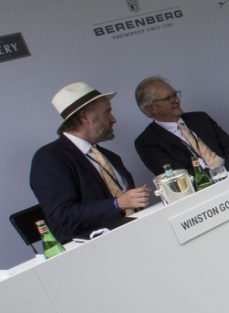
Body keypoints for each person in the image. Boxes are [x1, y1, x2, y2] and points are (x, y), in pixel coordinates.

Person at [30, 82, 150, 243]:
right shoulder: (49, 159)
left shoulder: (110, 156)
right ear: (85, 116)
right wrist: (117, 203)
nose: (113, 119)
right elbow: (62, 218)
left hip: (138, 236)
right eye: (107, 112)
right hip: (95, 250)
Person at [133, 77, 229, 176]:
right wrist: (217, 176)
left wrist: (227, 173)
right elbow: (180, 177)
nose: (176, 100)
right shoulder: (147, 142)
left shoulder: (200, 118)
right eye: (169, 98)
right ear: (151, 108)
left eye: (175, 95)